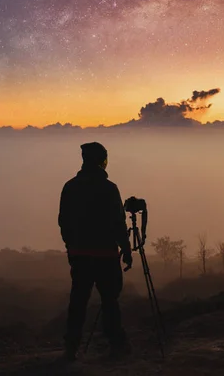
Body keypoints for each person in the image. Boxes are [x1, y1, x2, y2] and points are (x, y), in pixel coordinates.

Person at [58, 141, 133, 361]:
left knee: (78, 302)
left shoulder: (70, 187)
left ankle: (71, 347)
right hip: (106, 256)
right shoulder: (109, 189)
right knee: (110, 301)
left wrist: (71, 249)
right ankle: (116, 344)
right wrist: (126, 249)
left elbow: (64, 222)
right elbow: (119, 222)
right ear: (102, 160)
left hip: (80, 255)